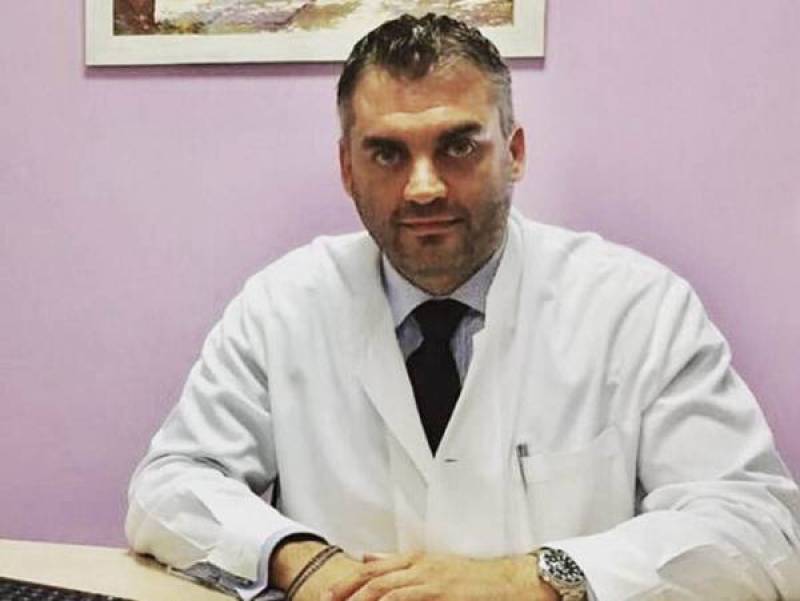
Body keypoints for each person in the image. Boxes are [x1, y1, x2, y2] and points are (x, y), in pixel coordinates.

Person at [126, 13, 800, 601]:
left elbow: (759, 527)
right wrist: (300, 560)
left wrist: (530, 579)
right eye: (387, 153)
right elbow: (170, 485)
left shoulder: (638, 309)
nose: (423, 187)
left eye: (457, 147)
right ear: (347, 169)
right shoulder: (280, 306)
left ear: (514, 153)